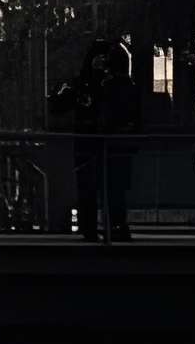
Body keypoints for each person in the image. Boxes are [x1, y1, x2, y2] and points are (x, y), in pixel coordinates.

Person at [50, 41, 141, 242]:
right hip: (92, 147)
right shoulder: (87, 85)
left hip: (102, 146)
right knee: (95, 187)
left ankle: (111, 226)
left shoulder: (112, 86)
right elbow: (58, 105)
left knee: (109, 187)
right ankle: (96, 227)